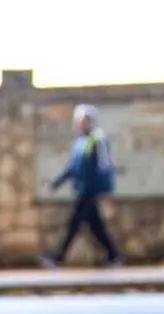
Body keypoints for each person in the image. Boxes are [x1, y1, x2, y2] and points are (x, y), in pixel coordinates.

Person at [38, 104, 124, 268]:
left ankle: (58, 257)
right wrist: (55, 184)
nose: (79, 123)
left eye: (83, 120)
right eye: (78, 120)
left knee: (74, 223)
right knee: (95, 226)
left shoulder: (97, 139)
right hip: (83, 189)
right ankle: (114, 256)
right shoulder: (81, 141)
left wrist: (105, 189)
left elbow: (104, 165)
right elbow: (72, 168)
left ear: (91, 121)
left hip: (89, 190)